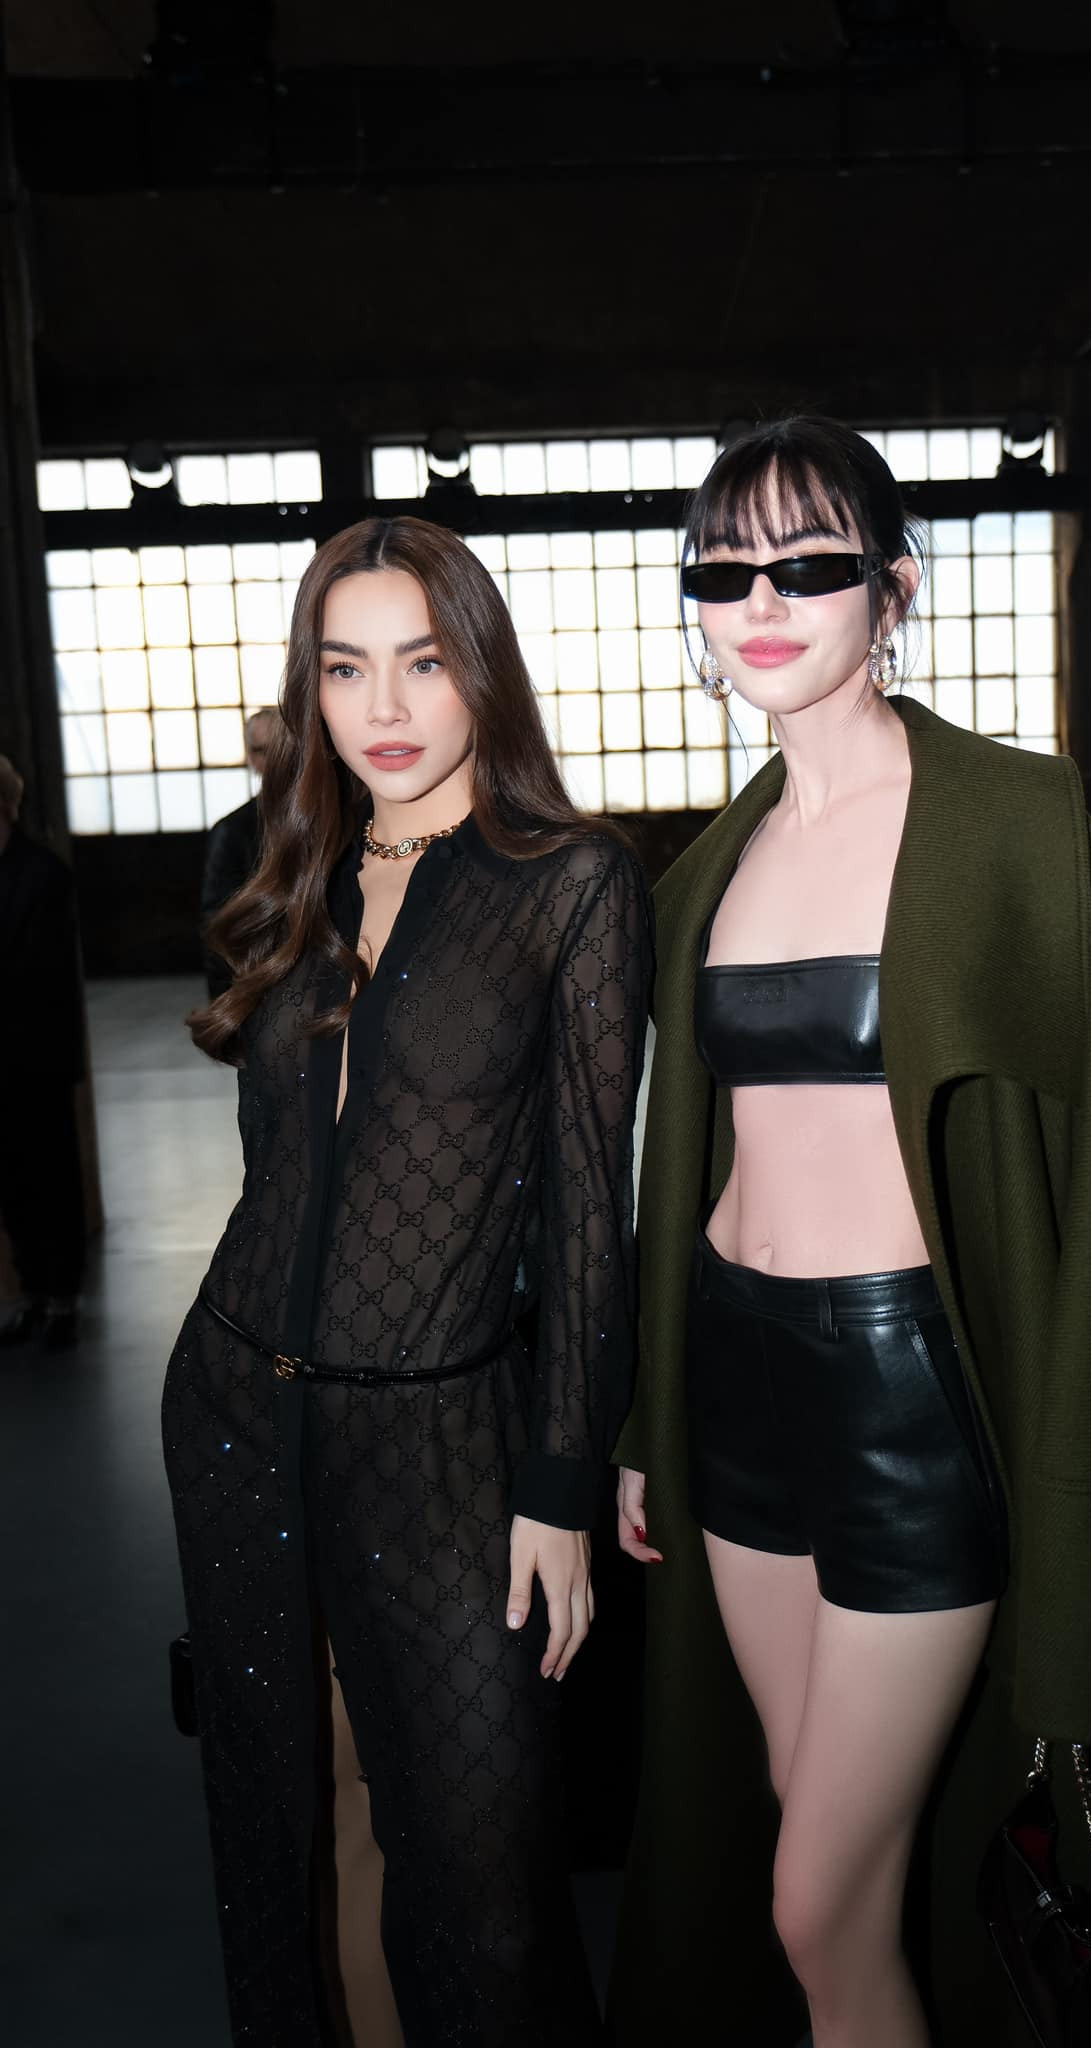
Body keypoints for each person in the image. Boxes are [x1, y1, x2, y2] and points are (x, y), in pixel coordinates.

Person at [610, 417, 1091, 2047]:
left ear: (892, 589)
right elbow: (687, 1168)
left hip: (908, 1396)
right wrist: (640, 1420)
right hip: (734, 1383)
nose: (761, 602)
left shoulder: (1014, 828)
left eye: (809, 563)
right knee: (807, 1831)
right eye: (722, 571)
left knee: (814, 1900)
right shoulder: (705, 871)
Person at [163, 516, 651, 2046]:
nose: (381, 706)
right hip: (236, 1412)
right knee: (290, 1832)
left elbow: (590, 1206)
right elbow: (277, 1168)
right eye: (344, 667)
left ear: (481, 671)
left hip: (445, 1443)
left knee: (486, 1886)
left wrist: (562, 1478)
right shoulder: (283, 868)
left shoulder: (569, 884)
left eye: (423, 664)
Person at [0, 753, 86, 1351]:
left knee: (50, 1178)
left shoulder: (43, 872)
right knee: (11, 1183)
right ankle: (32, 1293)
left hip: (35, 1056)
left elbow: (42, 973)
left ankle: (62, 1299)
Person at [200, 704, 281, 998]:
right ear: (251, 759)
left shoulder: (333, 819)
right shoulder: (233, 831)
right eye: (261, 751)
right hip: (261, 984)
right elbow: (218, 925)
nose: (272, 761)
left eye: (280, 749)